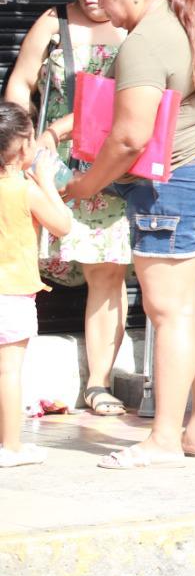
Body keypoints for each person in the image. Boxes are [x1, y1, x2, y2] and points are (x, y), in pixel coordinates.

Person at [63, 0, 195, 469]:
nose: (99, 3)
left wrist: (87, 185)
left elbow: (129, 138)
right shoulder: (189, 19)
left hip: (176, 186)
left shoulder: (144, 41)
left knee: (169, 315)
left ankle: (164, 439)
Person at [3, 0, 133, 416]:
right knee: (22, 268)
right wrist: (17, 146)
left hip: (112, 167)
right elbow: (21, 83)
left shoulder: (134, 24)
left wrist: (61, 128)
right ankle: (15, 384)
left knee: (106, 275)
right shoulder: (53, 22)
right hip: (47, 168)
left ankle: (99, 383)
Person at [0, 104, 74, 467]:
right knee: (8, 371)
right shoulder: (25, 190)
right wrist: (45, 181)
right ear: (22, 146)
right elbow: (63, 224)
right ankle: (11, 447)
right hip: (12, 292)